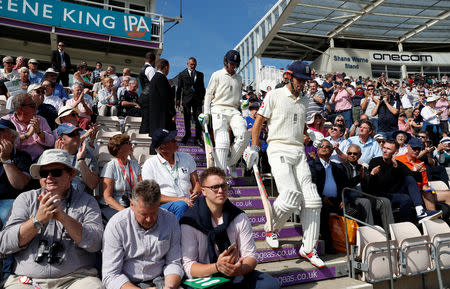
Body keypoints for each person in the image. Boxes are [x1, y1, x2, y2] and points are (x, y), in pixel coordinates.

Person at [244, 60, 324, 268]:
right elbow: (259, 122)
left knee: (313, 200)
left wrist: (310, 134)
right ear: (289, 76)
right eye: (300, 80)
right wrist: (253, 147)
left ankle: (307, 248)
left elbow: (299, 125)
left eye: (306, 81)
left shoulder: (305, 100)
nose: (303, 84)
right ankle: (271, 228)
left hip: (298, 150)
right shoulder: (274, 95)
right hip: (278, 147)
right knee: (290, 196)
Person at [0, 149, 103, 289]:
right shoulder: (25, 199)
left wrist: (63, 218)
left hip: (76, 279)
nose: (49, 177)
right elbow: (5, 243)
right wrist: (37, 220)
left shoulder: (87, 201)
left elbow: (95, 243)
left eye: (56, 172)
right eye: (43, 173)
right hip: (28, 280)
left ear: (71, 174)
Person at [180, 167, 280, 289]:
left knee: (270, 285)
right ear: (203, 191)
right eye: (214, 187)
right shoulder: (190, 221)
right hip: (205, 278)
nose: (220, 190)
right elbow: (188, 266)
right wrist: (217, 266)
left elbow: (251, 257)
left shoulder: (239, 216)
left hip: (235, 273)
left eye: (224, 186)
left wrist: (238, 269)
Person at [102, 180, 184, 289]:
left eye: (154, 213)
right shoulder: (117, 226)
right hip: (127, 284)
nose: (149, 219)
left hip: (162, 280)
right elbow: (111, 275)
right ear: (131, 205)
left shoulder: (170, 221)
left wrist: (169, 287)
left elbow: (174, 262)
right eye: (144, 214)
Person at [364, 139, 441, 223]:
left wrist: (412, 171)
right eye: (384, 148)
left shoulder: (399, 164)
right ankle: (405, 223)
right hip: (379, 194)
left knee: (409, 179)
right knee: (405, 198)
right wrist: (372, 174)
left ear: (396, 152)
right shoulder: (375, 161)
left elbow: (414, 178)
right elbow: (381, 183)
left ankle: (419, 212)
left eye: (388, 149)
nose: (385, 151)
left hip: (394, 193)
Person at [202, 50, 250, 176]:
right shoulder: (217, 75)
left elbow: (238, 97)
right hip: (218, 108)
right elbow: (208, 95)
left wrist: (242, 103)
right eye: (231, 63)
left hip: (234, 110)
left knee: (244, 136)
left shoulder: (239, 78)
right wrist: (206, 113)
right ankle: (221, 176)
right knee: (222, 141)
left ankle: (230, 162)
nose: (233, 66)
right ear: (226, 62)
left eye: (235, 64)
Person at [142, 129, 202, 220]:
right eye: (172, 140)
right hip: (164, 206)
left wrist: (197, 190)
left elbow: (196, 182)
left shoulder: (187, 158)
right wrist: (180, 199)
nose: (176, 141)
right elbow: (151, 196)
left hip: (189, 201)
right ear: (161, 148)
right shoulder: (149, 165)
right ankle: (178, 233)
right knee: (181, 206)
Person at [308, 139, 349, 254]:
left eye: (327, 146)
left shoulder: (338, 167)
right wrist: (322, 197)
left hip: (336, 200)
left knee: (355, 209)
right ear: (317, 150)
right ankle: (330, 246)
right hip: (320, 199)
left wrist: (343, 199)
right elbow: (310, 184)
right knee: (324, 212)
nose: (324, 147)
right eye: (321, 146)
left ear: (332, 151)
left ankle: (350, 244)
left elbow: (345, 185)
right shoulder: (312, 165)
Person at [342, 144, 394, 226]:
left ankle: (390, 232)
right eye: (349, 153)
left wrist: (372, 175)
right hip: (350, 199)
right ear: (347, 154)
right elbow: (345, 184)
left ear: (360, 155)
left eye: (355, 154)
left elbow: (368, 185)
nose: (352, 155)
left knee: (384, 201)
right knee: (365, 202)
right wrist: (359, 178)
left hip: (363, 195)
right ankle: (369, 232)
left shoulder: (362, 168)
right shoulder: (342, 167)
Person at [396, 137, 450, 211]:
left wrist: (429, 189)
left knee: (447, 194)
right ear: (408, 146)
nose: (417, 151)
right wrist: (413, 171)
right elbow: (397, 180)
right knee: (427, 194)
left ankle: (445, 218)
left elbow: (424, 185)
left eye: (419, 149)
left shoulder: (420, 164)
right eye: (414, 148)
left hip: (420, 192)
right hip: (405, 192)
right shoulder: (398, 160)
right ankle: (431, 218)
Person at [100, 134, 142, 220]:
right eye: (128, 143)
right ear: (119, 148)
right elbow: (107, 197)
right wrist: (125, 211)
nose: (131, 144)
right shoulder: (110, 167)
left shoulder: (135, 164)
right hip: (113, 207)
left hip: (132, 205)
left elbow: (141, 190)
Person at [2, 93, 55, 161]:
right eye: (32, 105)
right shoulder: (6, 121)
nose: (36, 108)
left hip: (39, 159)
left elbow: (51, 142)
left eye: (35, 104)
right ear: (20, 108)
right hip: (15, 160)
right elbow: (5, 143)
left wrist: (39, 132)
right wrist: (27, 135)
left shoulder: (40, 119)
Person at [0, 119, 32, 228]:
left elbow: (19, 184)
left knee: (7, 218)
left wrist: (6, 160)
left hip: (9, 201)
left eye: (1, 131)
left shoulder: (22, 157)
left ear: (13, 137)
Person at [55, 123, 99, 194]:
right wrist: (57, 160)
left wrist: (81, 161)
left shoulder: (87, 156)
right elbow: (44, 183)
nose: (76, 136)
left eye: (77, 134)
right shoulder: (51, 155)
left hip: (80, 200)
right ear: (61, 139)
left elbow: (93, 184)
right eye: (72, 134)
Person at [139, 58, 176, 138]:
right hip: (162, 118)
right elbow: (166, 98)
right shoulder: (161, 78)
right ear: (166, 67)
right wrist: (173, 113)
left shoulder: (154, 78)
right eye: (168, 68)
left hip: (156, 117)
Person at [176, 57, 206, 147]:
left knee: (198, 119)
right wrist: (178, 99)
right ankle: (187, 134)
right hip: (186, 99)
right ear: (187, 64)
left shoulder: (200, 74)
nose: (193, 66)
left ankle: (198, 138)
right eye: (191, 64)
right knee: (187, 118)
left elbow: (202, 87)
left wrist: (203, 97)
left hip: (197, 100)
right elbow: (179, 88)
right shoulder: (182, 74)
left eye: (194, 64)